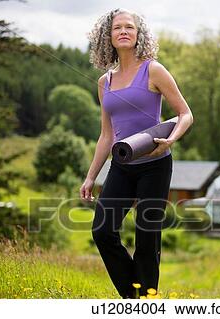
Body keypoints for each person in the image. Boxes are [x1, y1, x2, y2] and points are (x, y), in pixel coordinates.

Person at [81, 8, 193, 298]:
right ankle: (135, 296)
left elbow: (185, 114)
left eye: (129, 27)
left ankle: (144, 300)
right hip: (121, 166)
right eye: (118, 28)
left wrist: (171, 140)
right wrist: (90, 177)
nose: (124, 31)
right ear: (109, 37)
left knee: (147, 238)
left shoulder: (153, 69)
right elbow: (106, 135)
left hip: (155, 164)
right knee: (102, 231)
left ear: (138, 33)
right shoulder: (104, 82)